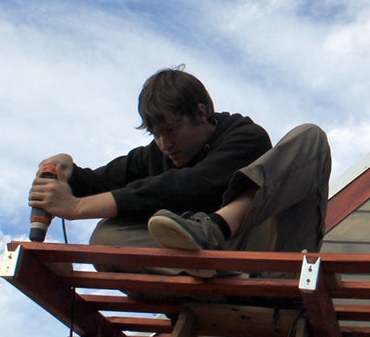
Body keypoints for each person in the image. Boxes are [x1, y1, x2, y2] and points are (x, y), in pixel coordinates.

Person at [28, 67, 332, 273]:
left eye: (171, 130)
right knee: (105, 236)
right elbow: (101, 181)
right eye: (155, 135)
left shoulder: (244, 137)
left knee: (310, 136)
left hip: (272, 257)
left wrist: (77, 206)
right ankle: (206, 265)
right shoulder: (157, 154)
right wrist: (69, 172)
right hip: (215, 270)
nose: (164, 144)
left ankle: (211, 233)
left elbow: (189, 185)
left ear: (200, 113)